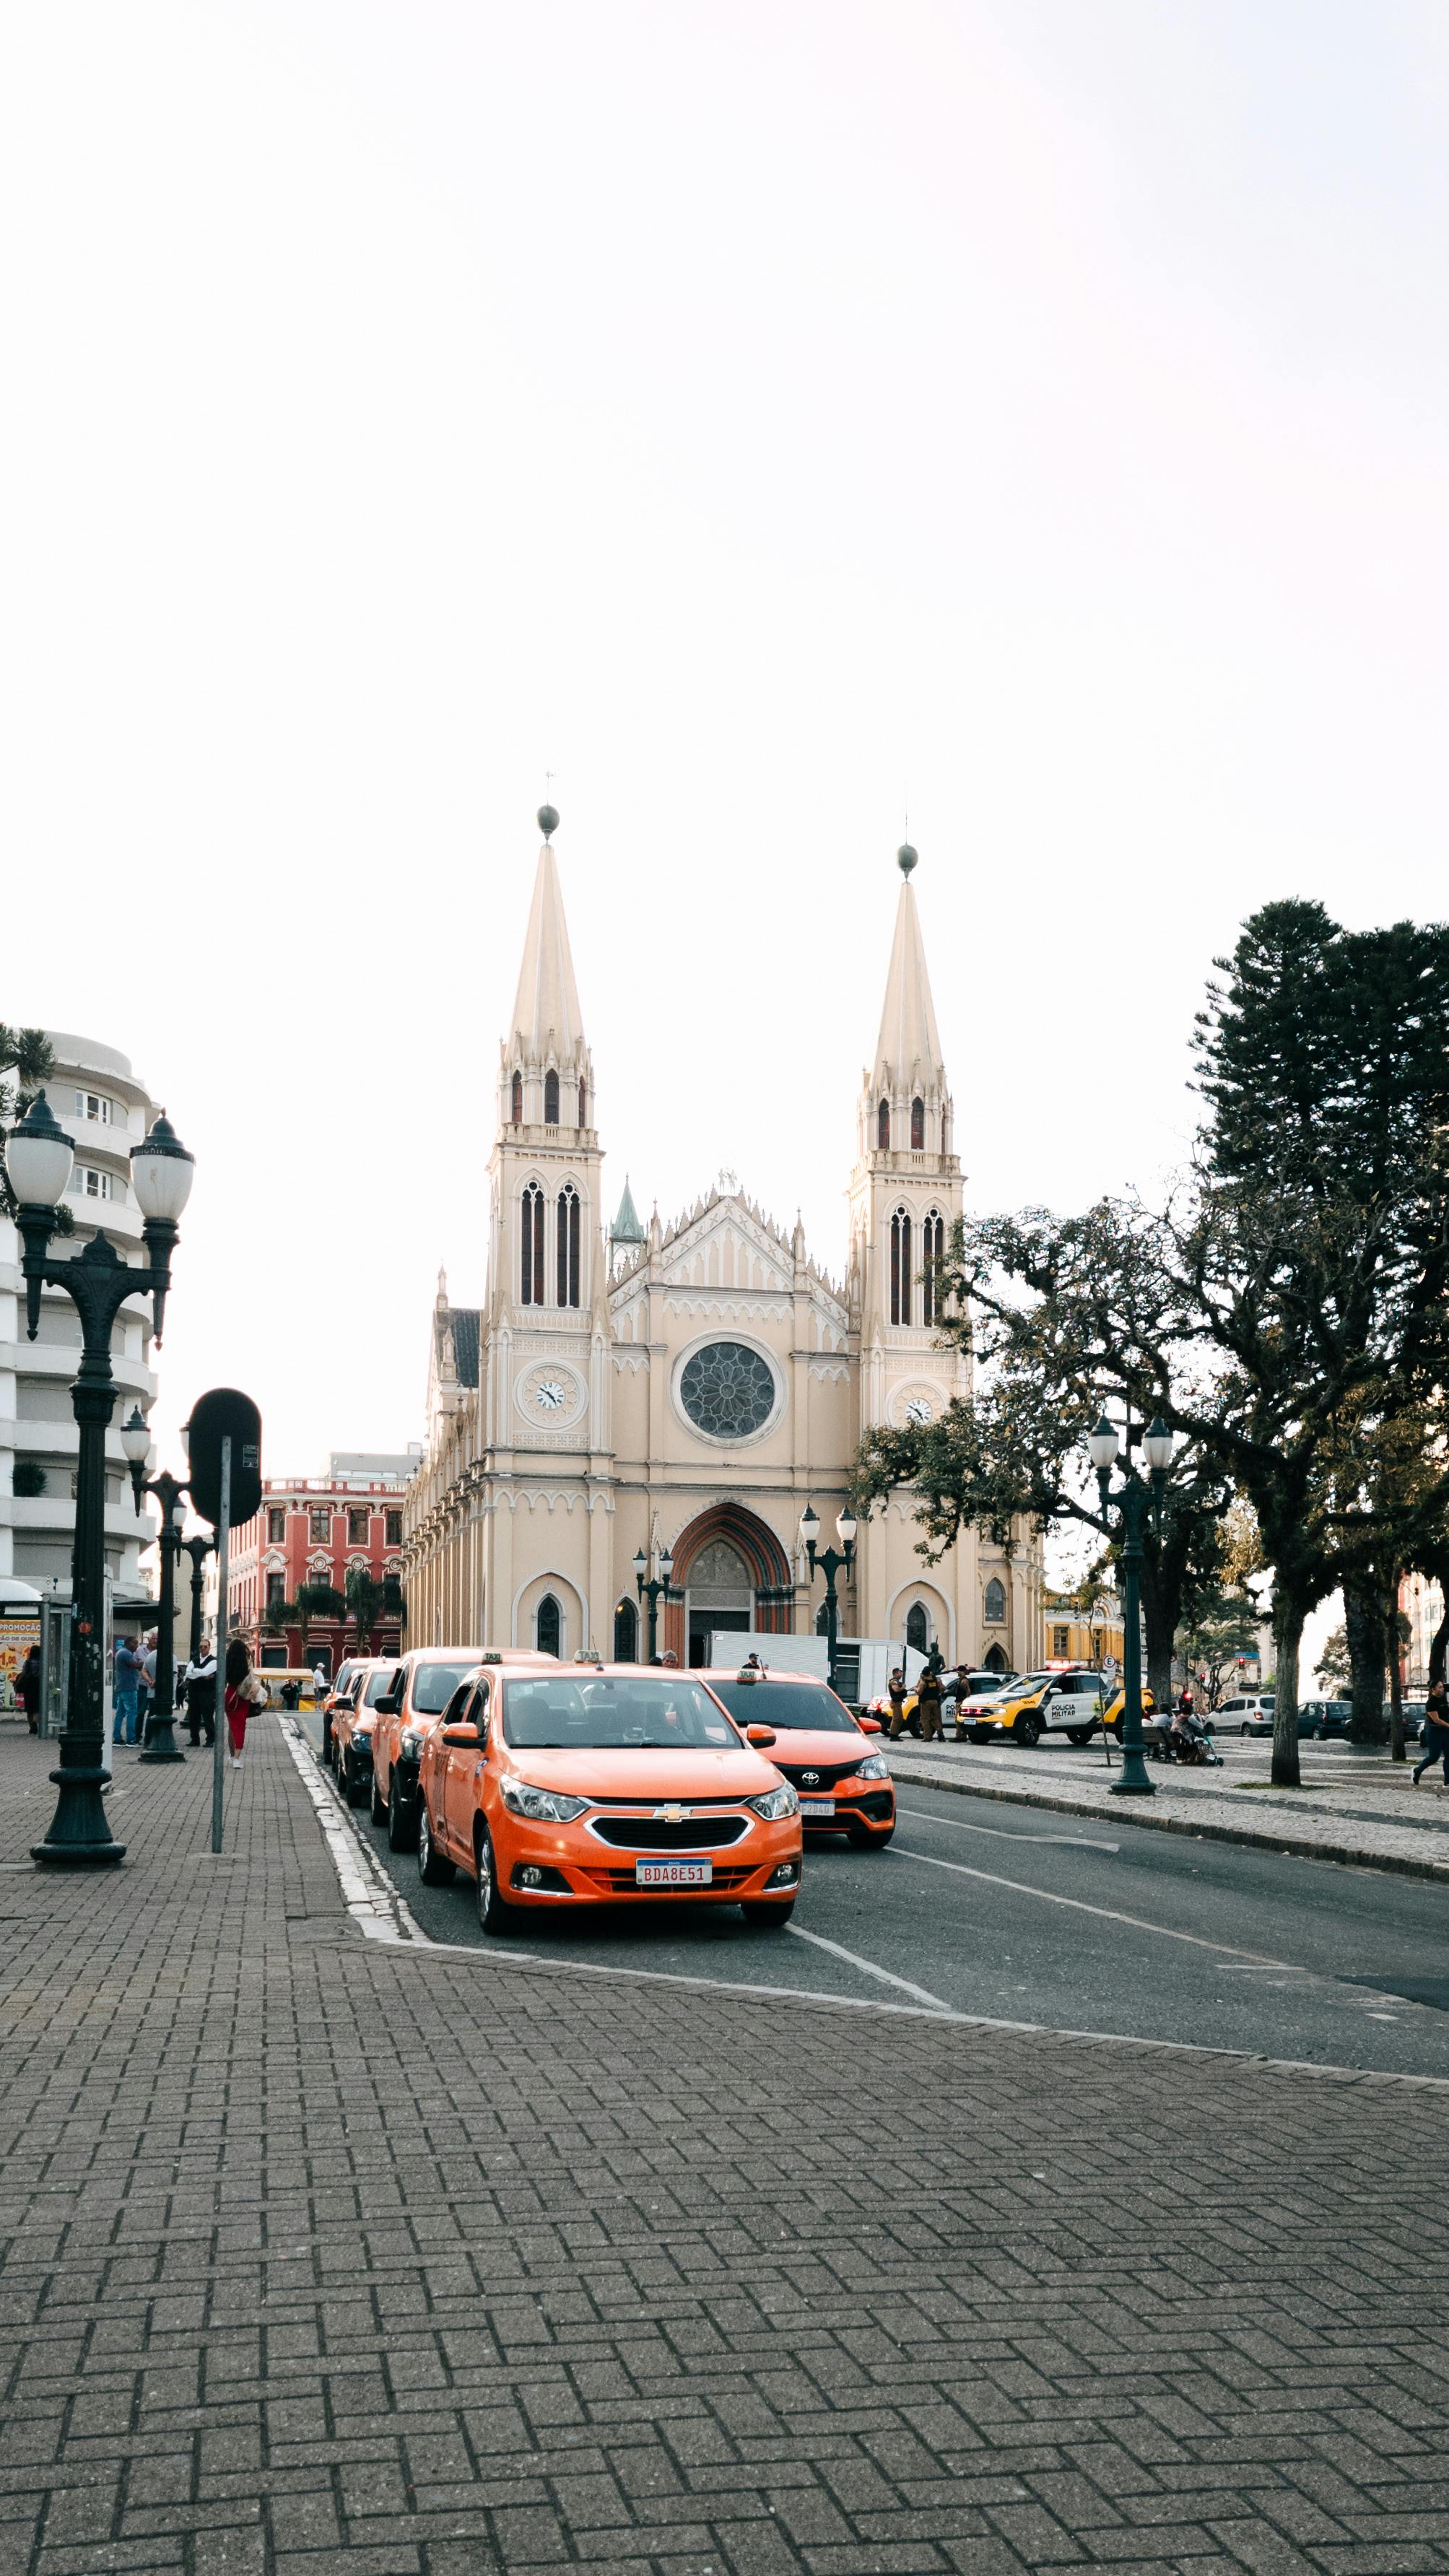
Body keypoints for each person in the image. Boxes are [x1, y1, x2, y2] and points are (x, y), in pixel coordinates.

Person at [225, 1640, 267, 1770]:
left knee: (232, 1727)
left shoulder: (227, 1662)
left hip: (230, 1694)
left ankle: (232, 1756)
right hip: (243, 1695)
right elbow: (250, 1676)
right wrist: (250, 1656)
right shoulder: (245, 1664)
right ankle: (237, 1758)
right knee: (240, 1726)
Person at [1413, 1679, 1449, 1786]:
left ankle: (1447, 1781)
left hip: (1446, 1732)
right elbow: (1437, 1720)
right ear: (1433, 1689)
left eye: (1442, 1687)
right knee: (1434, 1757)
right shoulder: (1431, 1703)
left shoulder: (1443, 1699)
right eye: (1440, 1687)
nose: (1442, 1689)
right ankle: (1417, 1771)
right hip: (1434, 1732)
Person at [182, 1640, 218, 1747]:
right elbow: (188, 1674)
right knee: (194, 1717)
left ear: (209, 1647)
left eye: (205, 1647)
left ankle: (210, 1739)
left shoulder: (214, 1661)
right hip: (194, 1692)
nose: (202, 1649)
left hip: (207, 1693)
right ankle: (194, 1739)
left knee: (208, 1716)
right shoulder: (194, 1660)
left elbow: (205, 1672)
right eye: (201, 1647)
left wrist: (196, 1673)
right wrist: (202, 1674)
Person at [112, 1636, 143, 1745]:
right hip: (129, 1687)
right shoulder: (126, 1653)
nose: (137, 1646)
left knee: (120, 1713)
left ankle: (117, 1738)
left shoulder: (122, 1652)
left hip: (122, 1687)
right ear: (129, 1643)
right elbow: (135, 1665)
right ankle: (131, 1739)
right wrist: (147, 1660)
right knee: (132, 1712)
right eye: (135, 1644)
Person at [915, 1660, 945, 1742]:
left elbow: (919, 1692)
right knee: (936, 1719)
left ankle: (927, 1737)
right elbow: (943, 1689)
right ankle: (941, 1734)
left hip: (926, 1702)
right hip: (935, 1701)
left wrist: (915, 1688)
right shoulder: (937, 1680)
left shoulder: (924, 1682)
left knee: (925, 1719)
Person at [17, 1644, 41, 1734]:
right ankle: (36, 1721)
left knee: (30, 1708)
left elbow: (24, 1673)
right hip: (39, 1686)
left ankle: (32, 1727)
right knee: (38, 1707)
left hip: (29, 1687)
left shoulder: (28, 1662)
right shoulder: (42, 1662)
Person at [886, 1668, 908, 1737]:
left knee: (900, 1718)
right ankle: (893, 1735)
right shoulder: (894, 1681)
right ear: (895, 1674)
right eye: (899, 1673)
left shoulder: (897, 1681)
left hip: (898, 1702)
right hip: (895, 1702)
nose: (901, 1674)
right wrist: (903, 1687)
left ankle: (895, 1734)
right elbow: (896, 1690)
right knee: (896, 1719)